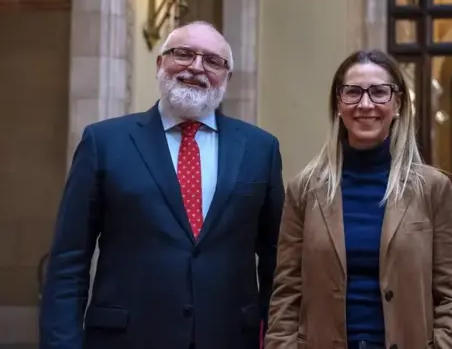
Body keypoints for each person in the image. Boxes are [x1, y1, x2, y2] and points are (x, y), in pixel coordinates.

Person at [39, 21, 284, 349]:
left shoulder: (260, 148)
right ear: (160, 63)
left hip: (228, 337)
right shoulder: (105, 142)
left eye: (213, 61)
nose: (196, 67)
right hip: (127, 338)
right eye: (183, 54)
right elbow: (69, 258)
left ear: (227, 77)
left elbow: (276, 261)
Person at [264, 49, 452, 349]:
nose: (365, 104)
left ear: (398, 104)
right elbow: (286, 294)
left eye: (379, 92)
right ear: (338, 104)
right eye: (353, 92)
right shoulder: (305, 190)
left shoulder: (431, 188)